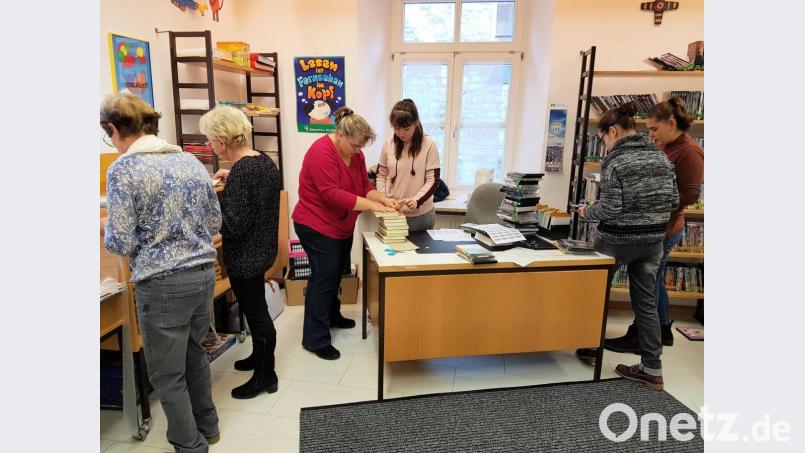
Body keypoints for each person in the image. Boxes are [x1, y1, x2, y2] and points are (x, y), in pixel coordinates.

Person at [102, 93, 221, 452]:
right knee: (196, 357)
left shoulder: (123, 170)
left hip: (163, 283)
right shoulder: (189, 161)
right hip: (203, 273)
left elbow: (120, 243)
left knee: (167, 376)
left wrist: (107, 227)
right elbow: (214, 220)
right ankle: (209, 428)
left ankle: (189, 445)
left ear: (113, 129)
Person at [575, 102, 679, 390]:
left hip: (617, 241)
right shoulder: (662, 158)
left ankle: (589, 348)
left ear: (613, 131)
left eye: (603, 138)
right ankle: (652, 369)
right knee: (646, 303)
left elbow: (610, 207)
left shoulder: (615, 161)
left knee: (595, 293)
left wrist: (587, 211)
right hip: (653, 241)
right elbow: (673, 202)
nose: (604, 144)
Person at [292, 107, 398, 360]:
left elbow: (363, 186)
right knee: (323, 278)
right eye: (354, 145)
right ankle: (315, 339)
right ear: (339, 134)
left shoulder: (356, 156)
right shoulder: (320, 152)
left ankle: (332, 315)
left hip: (340, 225)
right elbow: (331, 194)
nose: (358, 151)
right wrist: (372, 206)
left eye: (361, 146)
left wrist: (383, 200)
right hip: (315, 224)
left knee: (338, 271)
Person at [199, 106, 281, 399]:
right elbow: (253, 196)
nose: (209, 145)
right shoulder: (262, 161)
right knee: (253, 309)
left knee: (257, 314)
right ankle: (258, 359)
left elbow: (233, 224)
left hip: (246, 255)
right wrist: (231, 178)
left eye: (210, 139)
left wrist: (211, 202)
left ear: (222, 141)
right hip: (262, 248)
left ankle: (265, 375)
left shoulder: (242, 173)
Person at [376, 99, 441, 231]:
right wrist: (384, 199)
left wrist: (416, 200)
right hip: (393, 214)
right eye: (396, 128)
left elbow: (433, 181)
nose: (401, 134)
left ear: (416, 123)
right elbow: (381, 175)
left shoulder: (429, 144)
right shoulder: (388, 144)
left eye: (406, 129)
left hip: (421, 217)